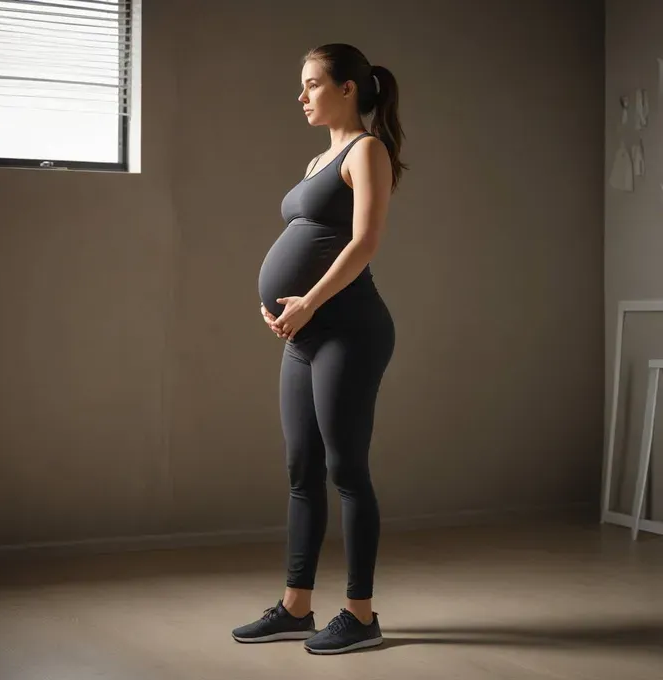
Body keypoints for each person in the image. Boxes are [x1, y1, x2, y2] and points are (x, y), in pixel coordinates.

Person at [231, 43, 407, 655]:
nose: (301, 95)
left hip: (349, 331)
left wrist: (306, 301)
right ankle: (296, 606)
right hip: (302, 332)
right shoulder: (317, 160)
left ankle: (360, 615)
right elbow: (304, 241)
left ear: (348, 89)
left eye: (311, 84)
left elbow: (364, 242)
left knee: (345, 470)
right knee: (301, 469)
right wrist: (279, 303)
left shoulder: (368, 151)